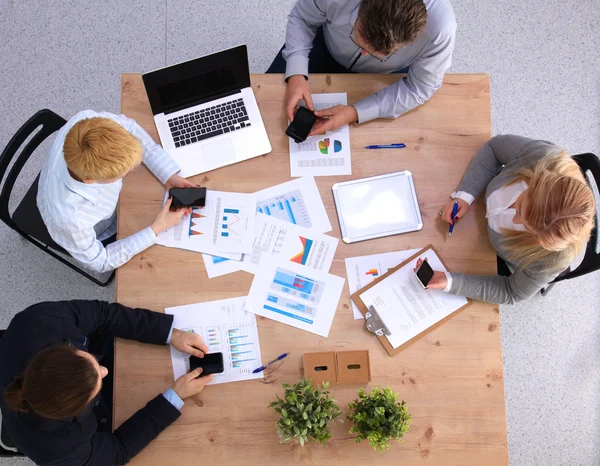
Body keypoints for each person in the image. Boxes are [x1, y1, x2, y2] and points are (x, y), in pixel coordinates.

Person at [0, 300, 213, 465]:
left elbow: (103, 314)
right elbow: (118, 449)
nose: (104, 370)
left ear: (63, 349)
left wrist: (170, 334)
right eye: (95, 385)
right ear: (77, 413)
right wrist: (173, 398)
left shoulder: (40, 320)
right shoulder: (59, 451)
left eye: (87, 359)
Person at [419, 135, 596, 304]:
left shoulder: (554, 258)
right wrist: (465, 195)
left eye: (529, 229)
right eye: (520, 207)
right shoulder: (542, 156)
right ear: (536, 180)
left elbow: (512, 292)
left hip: (486, 254)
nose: (516, 220)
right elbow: (494, 148)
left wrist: (450, 282)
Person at [37, 110, 196, 274]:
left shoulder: (87, 122)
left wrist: (168, 175)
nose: (130, 172)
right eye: (123, 174)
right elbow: (101, 262)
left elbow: (130, 128)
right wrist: (156, 228)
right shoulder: (71, 221)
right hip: (96, 230)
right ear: (91, 181)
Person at [266, 0, 456, 135]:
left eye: (377, 53)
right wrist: (297, 72)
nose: (364, 53)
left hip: (381, 75)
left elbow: (418, 88)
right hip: (323, 45)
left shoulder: (441, 30)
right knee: (265, 108)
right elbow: (302, 19)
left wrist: (355, 112)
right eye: (358, 39)